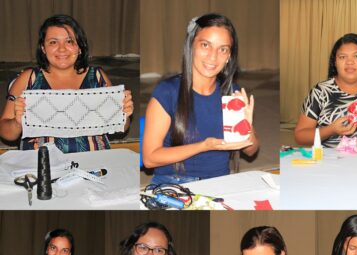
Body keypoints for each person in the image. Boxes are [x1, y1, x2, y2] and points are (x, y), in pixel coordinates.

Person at [142, 13, 259, 184]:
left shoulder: (231, 93)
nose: (213, 56)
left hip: (219, 183)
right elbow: (150, 158)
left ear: (229, 56)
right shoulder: (167, 92)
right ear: (191, 46)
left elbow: (251, 151)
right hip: (173, 182)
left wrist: (247, 128)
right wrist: (204, 146)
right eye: (205, 45)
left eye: (223, 49)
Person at [0, 14, 133, 152]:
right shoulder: (28, 79)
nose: (62, 49)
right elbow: (6, 133)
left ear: (80, 47)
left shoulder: (98, 77)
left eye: (69, 41)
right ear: (43, 48)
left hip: (94, 160)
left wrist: (125, 114)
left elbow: (123, 127)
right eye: (53, 42)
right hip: (42, 161)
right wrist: (17, 123)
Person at [294, 33, 357, 147]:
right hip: (328, 157)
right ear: (335, 62)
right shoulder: (320, 91)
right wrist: (330, 130)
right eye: (342, 57)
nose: (350, 62)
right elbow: (300, 137)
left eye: (356, 56)